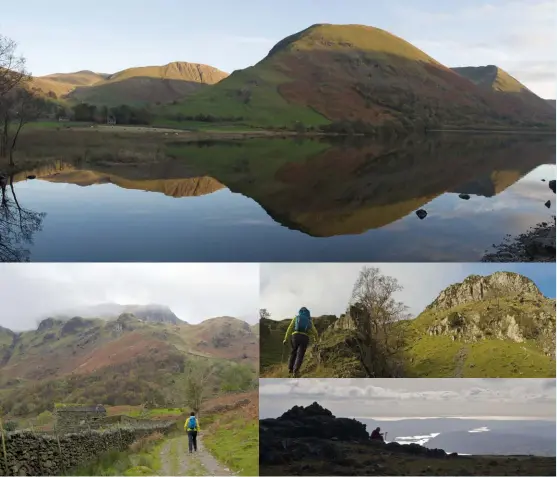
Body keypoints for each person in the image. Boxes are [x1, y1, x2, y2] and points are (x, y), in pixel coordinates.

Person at [283, 307, 319, 377]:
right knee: (300, 354)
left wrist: (286, 339)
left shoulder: (296, 318)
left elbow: (290, 328)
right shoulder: (309, 320)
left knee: (293, 352)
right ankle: (295, 371)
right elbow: (315, 332)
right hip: (304, 338)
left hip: (295, 336)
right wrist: (316, 339)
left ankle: (290, 369)